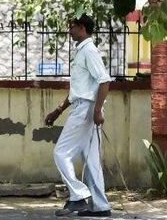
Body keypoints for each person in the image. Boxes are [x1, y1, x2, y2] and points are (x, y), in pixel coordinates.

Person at [44, 14, 112, 217]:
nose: (69, 30)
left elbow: (104, 81)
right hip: (85, 106)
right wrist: (58, 110)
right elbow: (80, 89)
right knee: (91, 161)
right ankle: (100, 207)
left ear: (82, 28)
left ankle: (78, 196)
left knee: (60, 153)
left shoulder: (89, 50)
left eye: (71, 26)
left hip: (86, 110)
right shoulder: (82, 50)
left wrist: (98, 110)